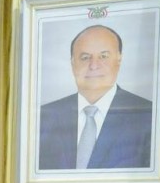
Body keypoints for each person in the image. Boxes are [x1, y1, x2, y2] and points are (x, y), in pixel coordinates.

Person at [38, 25, 153, 170]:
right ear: (73, 63)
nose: (93, 65)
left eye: (103, 56)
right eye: (85, 57)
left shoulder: (148, 116)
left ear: (119, 59)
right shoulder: (43, 117)